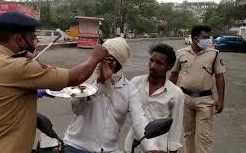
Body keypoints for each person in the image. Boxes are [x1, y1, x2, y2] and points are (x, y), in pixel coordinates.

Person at [0, 12, 107, 153]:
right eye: (32, 37)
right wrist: (95, 57)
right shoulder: (18, 67)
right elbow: (75, 78)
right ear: (18, 38)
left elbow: (2, 103)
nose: (35, 41)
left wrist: (32, 115)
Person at [63, 37, 164, 153]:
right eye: (101, 58)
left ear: (119, 63)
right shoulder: (88, 78)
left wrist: (151, 148)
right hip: (76, 146)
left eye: (108, 59)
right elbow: (77, 109)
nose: (102, 62)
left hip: (109, 150)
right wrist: (99, 83)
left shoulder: (129, 89)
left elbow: (139, 120)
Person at [169, 25, 226, 153]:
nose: (208, 40)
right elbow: (173, 75)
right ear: (195, 38)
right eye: (205, 37)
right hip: (185, 99)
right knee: (187, 134)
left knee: (204, 136)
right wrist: (167, 96)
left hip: (205, 100)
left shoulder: (214, 54)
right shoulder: (181, 53)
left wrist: (221, 99)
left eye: (208, 37)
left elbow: (219, 77)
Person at [124, 44, 184, 153]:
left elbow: (175, 128)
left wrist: (172, 150)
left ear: (169, 66)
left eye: (159, 63)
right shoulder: (135, 83)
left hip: (157, 148)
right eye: (151, 61)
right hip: (133, 145)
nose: (152, 66)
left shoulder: (176, 93)